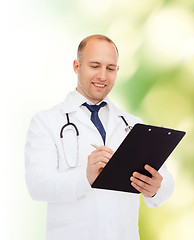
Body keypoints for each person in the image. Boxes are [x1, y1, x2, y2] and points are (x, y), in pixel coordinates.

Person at [25, 34, 174, 240]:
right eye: (95, 66)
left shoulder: (132, 125)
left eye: (110, 68)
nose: (103, 76)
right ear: (77, 66)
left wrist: (156, 188)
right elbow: (37, 185)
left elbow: (166, 182)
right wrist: (85, 177)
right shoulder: (46, 122)